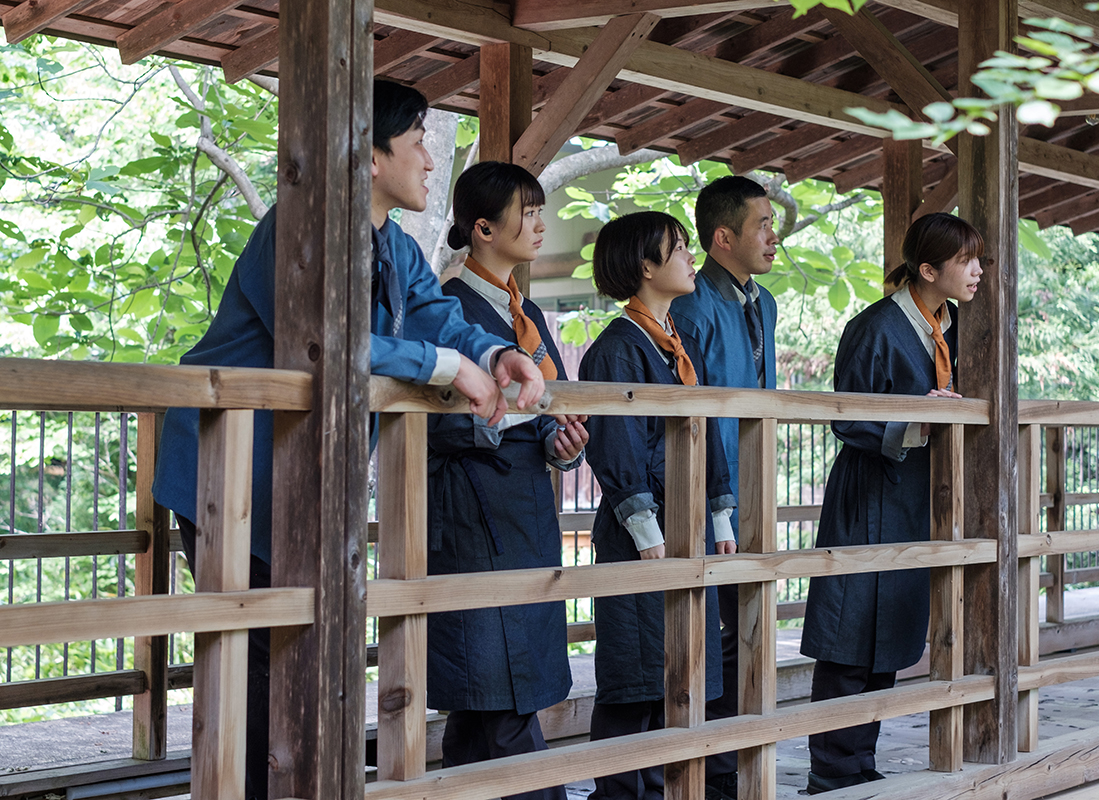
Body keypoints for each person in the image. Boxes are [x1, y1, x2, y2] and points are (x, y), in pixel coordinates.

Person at [151, 82, 545, 800]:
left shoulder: (393, 243)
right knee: (253, 660)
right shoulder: (300, 223)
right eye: (419, 140)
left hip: (303, 478)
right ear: (368, 154)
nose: (431, 161)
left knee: (301, 654)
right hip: (229, 471)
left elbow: (435, 315)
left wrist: (493, 356)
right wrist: (444, 366)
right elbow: (322, 341)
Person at [799, 212, 984, 795]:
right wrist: (918, 422)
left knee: (891, 637)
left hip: (913, 497)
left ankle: (860, 763)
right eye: (965, 262)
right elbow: (847, 416)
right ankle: (831, 772)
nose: (978, 272)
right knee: (849, 633)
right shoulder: (875, 327)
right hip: (868, 490)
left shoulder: (954, 326)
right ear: (928, 270)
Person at [427, 160, 588, 800]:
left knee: (484, 698)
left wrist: (562, 443)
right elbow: (433, 421)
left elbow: (538, 409)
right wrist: (520, 423)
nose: (540, 222)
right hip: (473, 509)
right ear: (485, 227)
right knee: (499, 681)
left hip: (523, 508)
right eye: (527, 211)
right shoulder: (444, 306)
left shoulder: (526, 312)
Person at [579, 210, 736, 800]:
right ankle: (619, 793)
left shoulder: (680, 340)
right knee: (635, 676)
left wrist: (719, 514)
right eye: (678, 249)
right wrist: (645, 527)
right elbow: (616, 445)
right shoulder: (617, 348)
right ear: (646, 266)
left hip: (688, 524)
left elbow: (709, 432)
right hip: (639, 532)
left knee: (686, 669)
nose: (690, 258)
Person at [669, 175, 779, 800]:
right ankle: (707, 771)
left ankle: (740, 760)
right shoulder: (691, 303)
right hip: (706, 492)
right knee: (708, 631)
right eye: (762, 224)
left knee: (751, 624)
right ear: (722, 237)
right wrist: (720, 503)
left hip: (753, 476)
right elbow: (698, 412)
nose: (773, 235)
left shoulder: (761, 302)